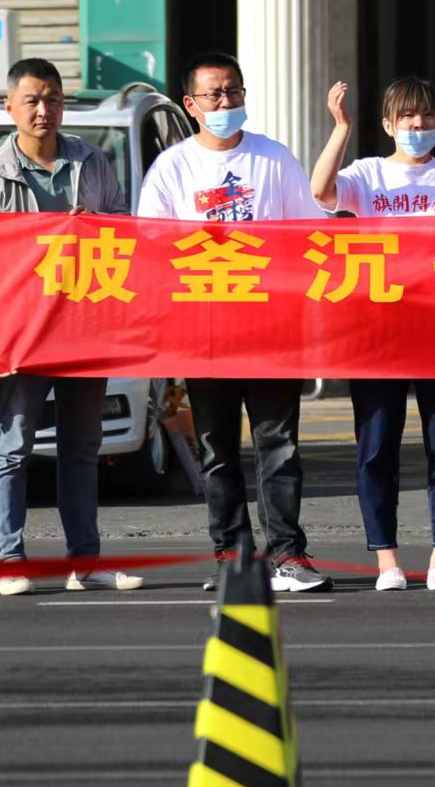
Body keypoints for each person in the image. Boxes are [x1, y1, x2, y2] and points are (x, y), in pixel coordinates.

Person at [138, 52, 334, 593]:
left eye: (234, 92)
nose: (226, 102)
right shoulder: (172, 168)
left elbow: (308, 238)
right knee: (217, 449)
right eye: (214, 94)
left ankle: (288, 555)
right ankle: (232, 557)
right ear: (191, 104)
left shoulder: (274, 158)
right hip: (204, 334)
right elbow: (150, 247)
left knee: (279, 445)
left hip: (272, 331)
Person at [0, 58, 143, 595]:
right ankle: (10, 560)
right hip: (22, 334)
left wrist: (98, 227)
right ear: (10, 107)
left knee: (82, 448)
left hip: (84, 329)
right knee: (14, 447)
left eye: (53, 100)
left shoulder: (91, 160)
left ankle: (84, 562)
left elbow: (124, 230)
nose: (44, 110)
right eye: (32, 101)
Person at [311, 76, 435, 592]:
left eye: (427, 116)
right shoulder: (368, 174)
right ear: (388, 124)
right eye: (407, 116)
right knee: (377, 446)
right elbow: (320, 192)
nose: (418, 125)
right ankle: (387, 560)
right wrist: (341, 127)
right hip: (377, 330)